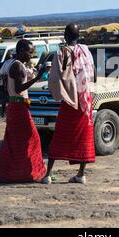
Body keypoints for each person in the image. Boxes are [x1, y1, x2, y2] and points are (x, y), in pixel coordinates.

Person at [43, 24, 96, 185]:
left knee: (60, 135)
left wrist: (59, 94)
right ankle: (81, 174)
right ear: (78, 35)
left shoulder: (62, 52)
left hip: (71, 101)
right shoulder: (86, 51)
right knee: (84, 136)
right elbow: (93, 72)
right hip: (85, 101)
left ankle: (48, 174)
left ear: (65, 36)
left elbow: (54, 78)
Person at [0, 40, 47, 184]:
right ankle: (34, 172)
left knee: (12, 143)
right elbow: (20, 88)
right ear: (21, 50)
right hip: (20, 107)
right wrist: (38, 77)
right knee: (33, 139)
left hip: (13, 106)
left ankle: (4, 174)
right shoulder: (18, 66)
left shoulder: (9, 63)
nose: (31, 55)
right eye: (29, 52)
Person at [0, 53, 14, 118]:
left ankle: (5, 112)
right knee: (5, 99)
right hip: (5, 84)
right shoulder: (7, 63)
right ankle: (3, 112)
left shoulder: (7, 63)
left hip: (6, 83)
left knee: (6, 99)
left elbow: (0, 74)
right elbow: (0, 74)